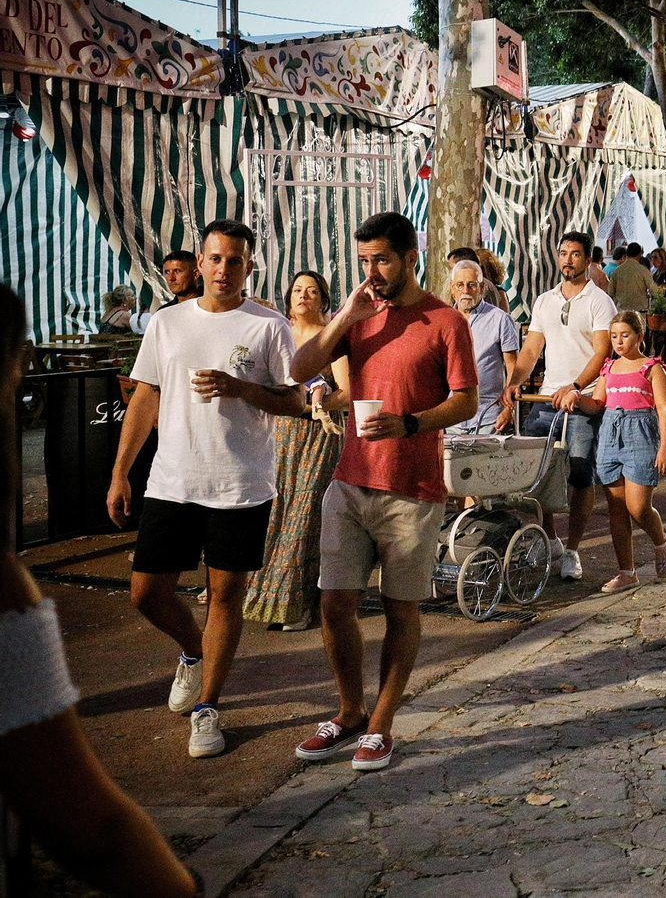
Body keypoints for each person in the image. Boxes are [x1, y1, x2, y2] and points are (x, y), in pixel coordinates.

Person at [1, 283, 201, 898]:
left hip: (226, 486)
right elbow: (86, 826)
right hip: (170, 482)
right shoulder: (2, 595)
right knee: (146, 590)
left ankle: (205, 686)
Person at [106, 220, 303, 759]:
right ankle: (194, 652)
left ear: (248, 265)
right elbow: (145, 397)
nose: (223, 269)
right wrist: (122, 470)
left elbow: (296, 401)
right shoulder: (167, 323)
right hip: (171, 480)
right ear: (200, 262)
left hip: (240, 484)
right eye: (215, 259)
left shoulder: (269, 326)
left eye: (234, 260)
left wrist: (241, 388)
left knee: (225, 595)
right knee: (146, 593)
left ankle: (207, 708)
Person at [289, 211, 477, 772]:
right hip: (349, 481)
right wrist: (346, 311)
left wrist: (412, 423)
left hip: (412, 489)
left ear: (410, 257)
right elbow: (301, 367)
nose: (371, 270)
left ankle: (381, 724)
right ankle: (349, 711)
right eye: (364, 260)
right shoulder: (358, 316)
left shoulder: (446, 321)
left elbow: (465, 400)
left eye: (382, 260)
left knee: (401, 609)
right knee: (334, 602)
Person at [502, 231, 617, 582]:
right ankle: (550, 538)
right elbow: (532, 348)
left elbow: (602, 351)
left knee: (581, 475)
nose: (567, 260)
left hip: (582, 401)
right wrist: (514, 381)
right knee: (537, 474)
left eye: (575, 254)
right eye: (563, 253)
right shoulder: (544, 301)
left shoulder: (599, 302)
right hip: (547, 399)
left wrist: (577, 386)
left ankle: (573, 550)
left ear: (587, 260)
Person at [243, 270, 350, 631]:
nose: (303, 296)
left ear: (323, 299)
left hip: (320, 434)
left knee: (304, 516)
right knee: (277, 512)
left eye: (312, 290)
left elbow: (349, 391)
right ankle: (267, 597)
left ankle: (298, 605)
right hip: (280, 434)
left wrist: (311, 404)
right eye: (297, 290)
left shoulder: (330, 337)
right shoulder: (278, 333)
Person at [571, 311, 666, 594]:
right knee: (616, 509)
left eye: (625, 335)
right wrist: (576, 397)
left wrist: (664, 447)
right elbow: (597, 404)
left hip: (641, 435)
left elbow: (664, 409)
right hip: (610, 436)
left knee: (638, 506)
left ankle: (660, 541)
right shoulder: (608, 368)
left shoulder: (652, 368)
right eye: (614, 336)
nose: (618, 341)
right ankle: (626, 572)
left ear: (640, 336)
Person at [445, 259, 521, 434]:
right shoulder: (443, 320)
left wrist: (509, 410)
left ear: (481, 287)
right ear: (452, 287)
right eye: (460, 285)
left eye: (471, 285)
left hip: (488, 418)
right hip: (450, 418)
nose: (465, 291)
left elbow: (513, 368)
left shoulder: (500, 319)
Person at [609, 242, 652, 312]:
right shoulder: (643, 270)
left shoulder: (617, 271)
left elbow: (610, 291)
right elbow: (653, 289)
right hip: (639, 311)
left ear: (627, 254)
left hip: (621, 311)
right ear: (640, 254)